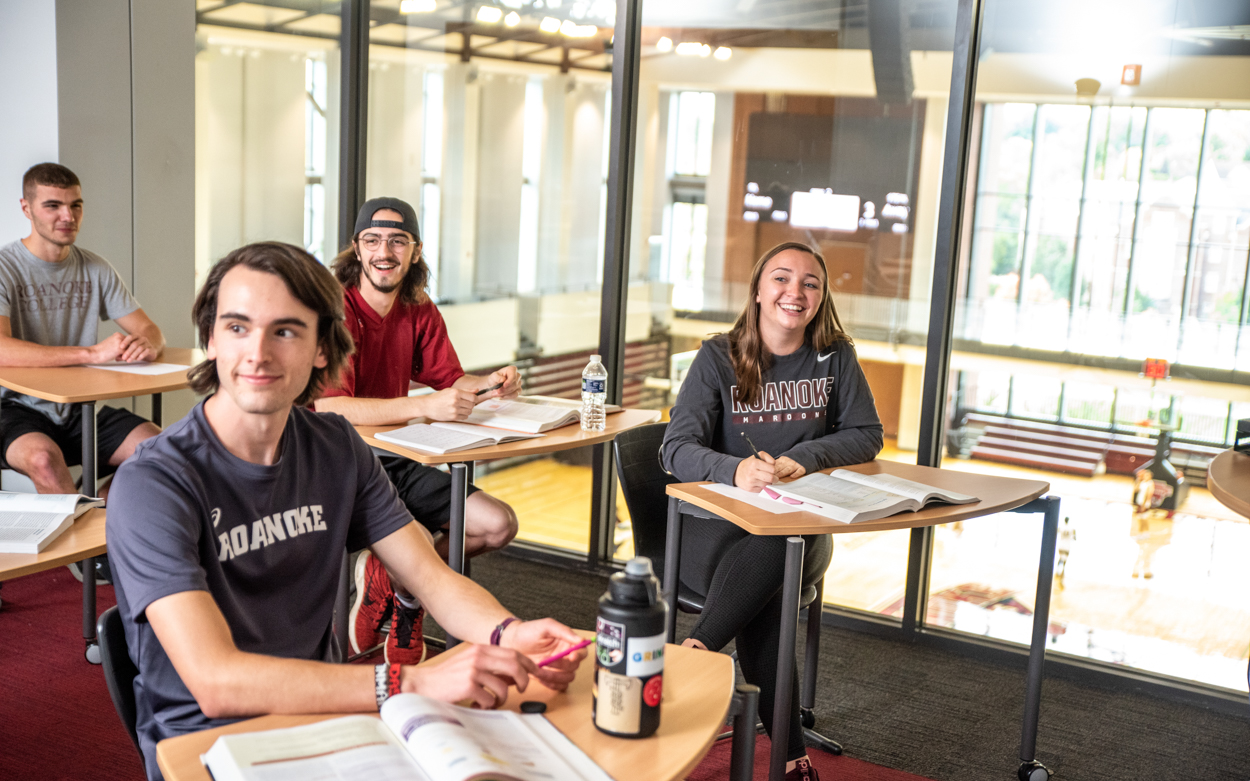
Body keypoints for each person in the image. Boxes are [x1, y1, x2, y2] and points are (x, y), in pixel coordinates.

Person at [105, 242, 587, 781]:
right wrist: (412, 682)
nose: (258, 352)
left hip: (328, 715)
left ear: (321, 348)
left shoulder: (334, 445)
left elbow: (430, 577)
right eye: (237, 327)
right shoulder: (153, 481)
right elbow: (216, 681)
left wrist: (507, 633)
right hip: (207, 742)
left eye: (285, 330)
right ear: (211, 339)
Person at [660, 241, 883, 781]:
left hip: (802, 529)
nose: (795, 292)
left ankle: (695, 654)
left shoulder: (835, 358)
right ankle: (790, 755)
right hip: (714, 533)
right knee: (770, 581)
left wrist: (801, 460)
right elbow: (673, 448)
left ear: (822, 296)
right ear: (759, 290)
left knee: (780, 550)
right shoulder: (718, 356)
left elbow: (866, 434)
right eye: (782, 279)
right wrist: (733, 470)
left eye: (810, 283)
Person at [314, 197, 521, 665]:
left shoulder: (417, 306)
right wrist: (424, 405)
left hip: (397, 455)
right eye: (373, 240)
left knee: (496, 524)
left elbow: (450, 381)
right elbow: (331, 408)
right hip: (340, 462)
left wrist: (492, 383)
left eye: (396, 241)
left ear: (415, 250)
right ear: (356, 248)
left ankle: (397, 587)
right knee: (418, 544)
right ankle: (407, 589)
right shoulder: (335, 310)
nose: (383, 251)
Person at [0, 163, 164, 497]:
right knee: (44, 460)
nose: (68, 216)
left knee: (161, 451)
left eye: (76, 205)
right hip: (13, 408)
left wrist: (147, 344)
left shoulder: (95, 267)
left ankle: (99, 524)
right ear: (26, 208)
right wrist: (91, 354)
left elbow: (149, 329)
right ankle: (80, 547)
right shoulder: (5, 267)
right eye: (53, 206)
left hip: (79, 408)